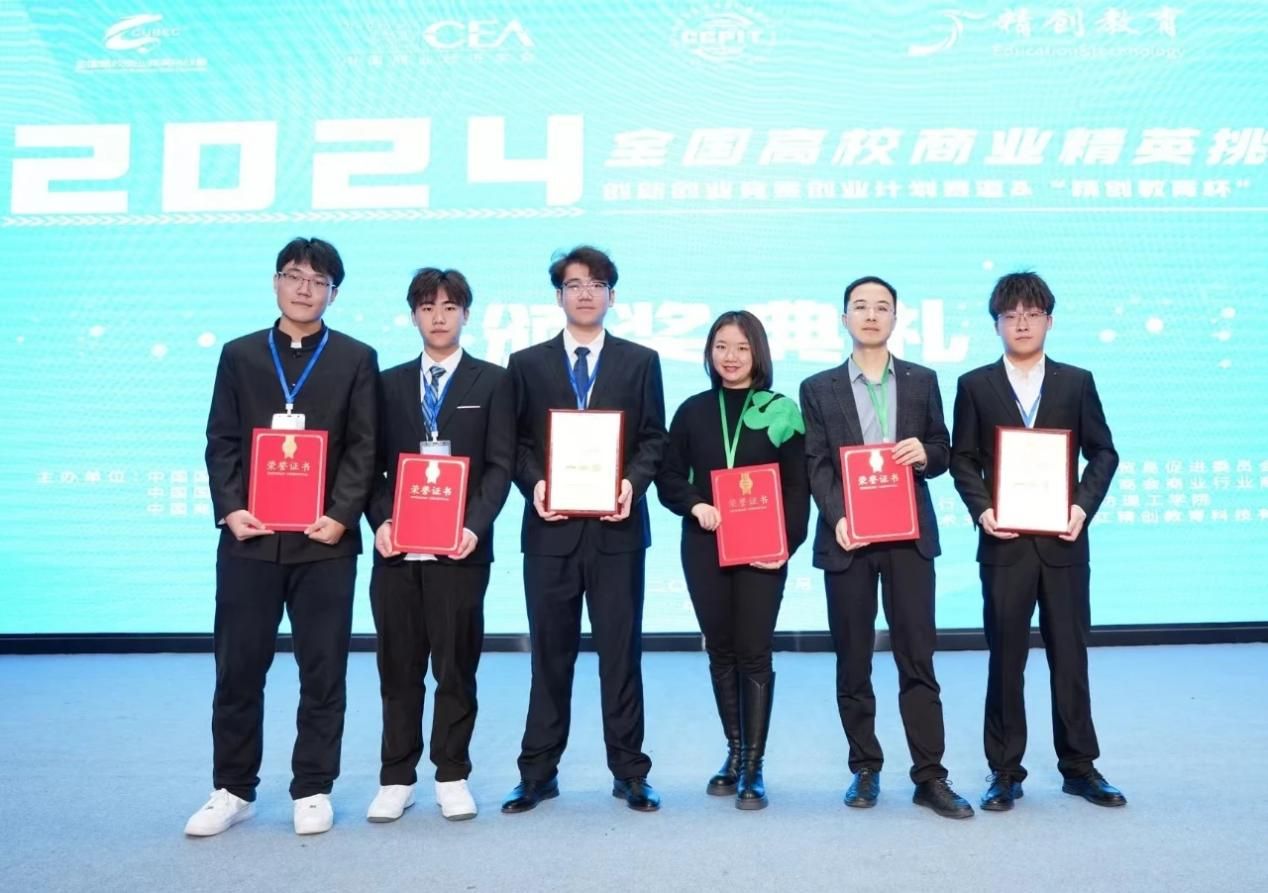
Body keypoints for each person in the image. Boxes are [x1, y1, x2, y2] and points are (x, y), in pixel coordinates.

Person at [187, 237, 378, 837]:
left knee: (323, 670)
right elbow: (221, 440)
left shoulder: (356, 358)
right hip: (251, 539)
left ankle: (313, 787)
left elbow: (364, 447)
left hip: (325, 543)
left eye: (318, 281)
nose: (304, 289)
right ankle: (232, 788)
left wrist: (342, 515)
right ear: (276, 282)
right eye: (294, 276)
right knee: (238, 668)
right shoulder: (240, 354)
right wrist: (231, 509)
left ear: (333, 294)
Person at [500, 245, 668, 814]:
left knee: (621, 654)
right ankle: (537, 773)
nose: (586, 293)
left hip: (617, 532)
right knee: (550, 655)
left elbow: (654, 438)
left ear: (612, 296)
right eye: (574, 284)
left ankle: (630, 772)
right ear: (559, 296)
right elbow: (516, 443)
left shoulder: (640, 361)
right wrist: (535, 484)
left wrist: (632, 485)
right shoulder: (526, 363)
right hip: (550, 533)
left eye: (597, 284)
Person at [800, 276, 974, 819]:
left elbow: (944, 449)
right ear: (844, 318)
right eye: (860, 306)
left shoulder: (922, 380)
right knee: (853, 660)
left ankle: (930, 775)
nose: (871, 315)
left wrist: (927, 453)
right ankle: (865, 768)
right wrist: (839, 517)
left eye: (882, 307)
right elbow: (816, 463)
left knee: (917, 657)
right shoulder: (818, 387)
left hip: (909, 537)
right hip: (848, 538)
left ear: (896, 318)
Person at [950, 271, 1124, 811]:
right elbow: (962, 459)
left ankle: (1080, 767)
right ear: (996, 324)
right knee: (1005, 660)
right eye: (1011, 315)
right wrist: (983, 511)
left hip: (1064, 541)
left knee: (1070, 657)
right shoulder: (975, 385)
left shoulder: (1076, 382)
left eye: (1032, 314)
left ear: (1049, 321)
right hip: (1004, 544)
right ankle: (1004, 771)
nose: (1021, 324)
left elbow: (1104, 452)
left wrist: (1081, 508)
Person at [363, 268, 514, 824]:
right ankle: (396, 778)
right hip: (397, 550)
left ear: (466, 315)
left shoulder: (493, 382)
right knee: (398, 668)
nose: (439, 317)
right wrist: (380, 520)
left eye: (450, 307)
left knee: (456, 668)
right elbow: (367, 464)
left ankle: (452, 774)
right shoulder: (385, 383)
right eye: (427, 307)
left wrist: (474, 525)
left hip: (461, 550)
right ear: (413, 316)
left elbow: (499, 465)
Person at [655, 311, 809, 810]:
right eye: (721, 346)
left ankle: (754, 767)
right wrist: (695, 504)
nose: (731, 357)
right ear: (709, 352)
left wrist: (785, 543)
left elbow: (797, 487)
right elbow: (668, 475)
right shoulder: (693, 411)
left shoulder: (782, 411)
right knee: (720, 649)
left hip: (764, 550)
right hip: (705, 544)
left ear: (758, 352)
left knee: (754, 651)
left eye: (742, 347)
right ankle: (736, 751)